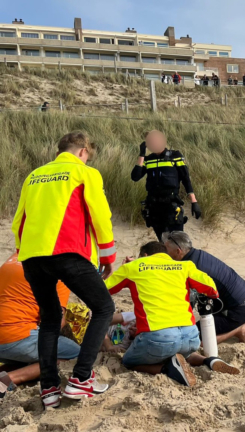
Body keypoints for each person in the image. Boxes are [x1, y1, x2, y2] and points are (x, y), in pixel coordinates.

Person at [12, 131, 117, 408]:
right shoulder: (85, 173)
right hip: (68, 251)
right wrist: (107, 255)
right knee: (104, 308)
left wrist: (24, 253)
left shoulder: (34, 175)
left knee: (49, 319)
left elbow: (18, 220)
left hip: (32, 256)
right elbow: (100, 215)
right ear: (83, 150)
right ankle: (82, 379)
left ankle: (49, 389)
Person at [106, 242, 239, 387]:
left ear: (144, 255)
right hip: (191, 334)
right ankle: (209, 361)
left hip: (159, 337)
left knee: (128, 361)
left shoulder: (132, 267)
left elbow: (104, 289)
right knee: (185, 354)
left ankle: (167, 369)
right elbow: (212, 289)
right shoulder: (184, 265)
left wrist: (129, 267)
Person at [0, 254, 79, 399]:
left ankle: (4, 372)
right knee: (76, 354)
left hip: (6, 338)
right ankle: (6, 380)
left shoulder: (14, 258)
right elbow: (55, 321)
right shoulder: (58, 268)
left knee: (29, 354)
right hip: (15, 336)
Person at [163, 232, 245, 344]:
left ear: (178, 251)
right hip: (241, 299)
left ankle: (240, 329)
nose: (164, 252)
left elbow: (187, 305)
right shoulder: (197, 254)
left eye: (166, 249)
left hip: (239, 309)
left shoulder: (192, 268)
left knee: (194, 341)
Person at [131, 130, 202, 241]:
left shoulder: (175, 156)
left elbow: (186, 179)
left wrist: (194, 201)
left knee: (178, 242)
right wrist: (141, 155)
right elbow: (135, 177)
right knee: (163, 242)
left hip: (171, 206)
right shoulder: (148, 160)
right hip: (154, 207)